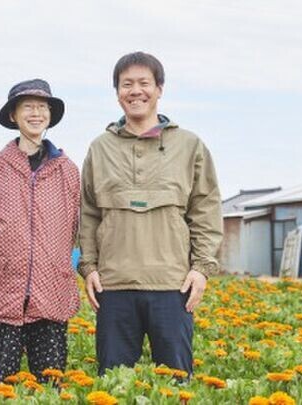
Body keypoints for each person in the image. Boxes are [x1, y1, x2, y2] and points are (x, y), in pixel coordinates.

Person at [78, 52, 222, 376]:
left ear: (159, 89)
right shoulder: (100, 148)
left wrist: (201, 268)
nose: (135, 91)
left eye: (144, 83)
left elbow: (206, 209)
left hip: (173, 287)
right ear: (117, 92)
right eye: (126, 84)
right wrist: (88, 267)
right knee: (114, 385)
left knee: (174, 386)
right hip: (113, 287)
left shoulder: (189, 145)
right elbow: (88, 213)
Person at [0, 79, 80, 383]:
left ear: (50, 114)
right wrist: (6, 260)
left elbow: (76, 227)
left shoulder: (67, 170)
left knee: (49, 386)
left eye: (42, 107)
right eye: (27, 107)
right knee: (1, 386)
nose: (36, 113)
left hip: (51, 294)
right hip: (2, 293)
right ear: (13, 116)